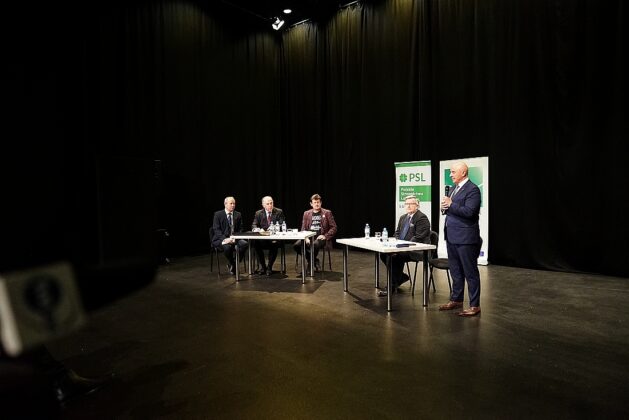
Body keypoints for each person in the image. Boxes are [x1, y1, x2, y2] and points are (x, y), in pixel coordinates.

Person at [439, 161, 483, 317]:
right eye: (450, 172)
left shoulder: (473, 190)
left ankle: (474, 305)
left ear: (463, 172)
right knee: (455, 271)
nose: (450, 175)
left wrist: (451, 204)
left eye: (453, 172)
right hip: (451, 236)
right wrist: (444, 208)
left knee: (470, 272)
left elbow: (469, 212)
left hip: (465, 238)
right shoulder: (453, 188)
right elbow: (451, 210)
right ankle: (456, 299)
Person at [378, 195, 430, 297]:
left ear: (417, 205)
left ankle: (391, 286)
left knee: (395, 257)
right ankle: (400, 277)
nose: (408, 206)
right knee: (384, 254)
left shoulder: (421, 218)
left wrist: (403, 246)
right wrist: (397, 243)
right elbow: (397, 233)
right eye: (406, 204)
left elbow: (418, 237)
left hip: (416, 250)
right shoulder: (403, 217)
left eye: (411, 204)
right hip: (402, 247)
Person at [293, 194, 337, 271]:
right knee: (296, 245)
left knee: (315, 245)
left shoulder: (327, 213)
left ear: (321, 203)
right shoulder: (306, 213)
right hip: (309, 236)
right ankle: (314, 260)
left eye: (318, 202)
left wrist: (325, 236)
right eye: (315, 202)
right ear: (311, 204)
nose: (317, 204)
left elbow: (334, 227)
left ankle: (310, 265)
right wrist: (306, 237)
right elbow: (303, 228)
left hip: (321, 238)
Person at [211, 196, 248, 275]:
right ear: (225, 204)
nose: (233, 205)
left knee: (244, 244)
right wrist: (225, 239)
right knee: (227, 247)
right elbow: (216, 229)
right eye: (231, 203)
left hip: (234, 238)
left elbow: (241, 229)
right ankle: (233, 264)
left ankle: (233, 265)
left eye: (234, 203)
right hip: (221, 239)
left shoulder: (238, 214)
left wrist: (235, 238)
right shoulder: (218, 214)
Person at [251, 196, 285, 276]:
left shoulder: (279, 212)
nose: (270, 205)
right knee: (255, 243)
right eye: (268, 204)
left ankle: (269, 267)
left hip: (274, 238)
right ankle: (263, 267)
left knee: (274, 244)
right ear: (263, 205)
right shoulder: (258, 213)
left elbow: (282, 224)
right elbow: (254, 224)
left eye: (271, 203)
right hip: (263, 239)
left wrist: (274, 228)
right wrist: (257, 229)